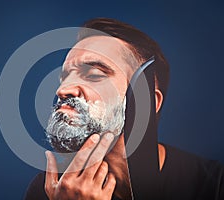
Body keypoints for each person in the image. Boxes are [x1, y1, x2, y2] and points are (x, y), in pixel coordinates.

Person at [24, 18, 224, 200]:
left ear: (146, 102)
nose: (62, 89)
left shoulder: (214, 186)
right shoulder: (52, 191)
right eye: (65, 77)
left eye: (94, 75)